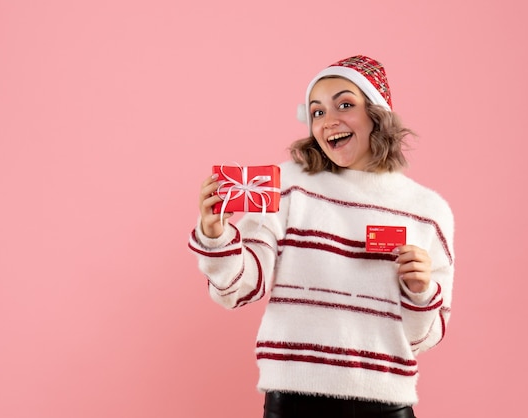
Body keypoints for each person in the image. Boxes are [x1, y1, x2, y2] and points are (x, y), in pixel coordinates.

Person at [188, 55, 455, 418]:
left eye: (344, 105)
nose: (328, 121)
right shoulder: (288, 186)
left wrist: (421, 291)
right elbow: (240, 288)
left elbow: (423, 337)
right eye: (316, 112)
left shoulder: (429, 211)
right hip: (294, 402)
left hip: (386, 406)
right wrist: (216, 235)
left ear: (377, 113)